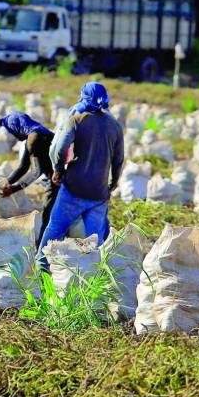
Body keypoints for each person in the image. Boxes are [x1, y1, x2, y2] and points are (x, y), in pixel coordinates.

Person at [37, 82, 124, 272]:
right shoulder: (115, 126)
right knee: (94, 241)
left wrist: (58, 170)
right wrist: (113, 183)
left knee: (55, 231)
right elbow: (118, 160)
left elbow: (59, 148)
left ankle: (41, 270)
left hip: (74, 190)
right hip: (99, 195)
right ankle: (91, 278)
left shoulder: (76, 119)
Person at [0, 112, 56, 247]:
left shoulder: (34, 139)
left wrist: (14, 189)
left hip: (56, 184)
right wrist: (8, 181)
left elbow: (36, 172)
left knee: (48, 217)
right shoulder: (41, 131)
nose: (13, 134)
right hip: (65, 181)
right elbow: (24, 167)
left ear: (16, 126)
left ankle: (42, 250)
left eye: (11, 130)